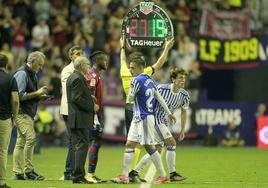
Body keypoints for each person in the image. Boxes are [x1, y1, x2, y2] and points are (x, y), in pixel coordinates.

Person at [113, 57, 176, 184]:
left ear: (140, 67)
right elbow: (159, 97)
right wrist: (169, 113)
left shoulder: (135, 80)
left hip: (144, 117)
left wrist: (131, 92)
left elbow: (130, 98)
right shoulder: (150, 80)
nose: (130, 70)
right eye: (130, 67)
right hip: (139, 117)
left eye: (132, 67)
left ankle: (163, 175)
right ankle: (124, 175)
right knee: (129, 144)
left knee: (149, 146)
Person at [120, 34, 175, 174]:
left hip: (135, 109)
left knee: (146, 145)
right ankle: (127, 174)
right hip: (142, 112)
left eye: (133, 67)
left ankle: (160, 174)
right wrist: (167, 48)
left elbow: (122, 60)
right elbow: (160, 62)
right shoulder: (148, 76)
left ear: (136, 66)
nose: (131, 69)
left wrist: (122, 47)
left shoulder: (128, 74)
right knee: (133, 143)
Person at [129, 68, 190, 182]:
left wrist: (182, 130)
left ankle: (133, 173)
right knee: (171, 143)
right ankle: (172, 174)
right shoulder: (161, 88)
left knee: (156, 150)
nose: (183, 80)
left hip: (163, 122)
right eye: (180, 78)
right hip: (154, 119)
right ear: (173, 79)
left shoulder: (184, 95)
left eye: (184, 78)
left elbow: (184, 112)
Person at [13, 51, 47, 180]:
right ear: (31, 62)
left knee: (20, 143)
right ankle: (29, 170)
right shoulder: (22, 74)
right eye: (39, 65)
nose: (41, 68)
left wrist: (40, 97)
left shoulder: (32, 74)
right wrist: (37, 93)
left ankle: (17, 172)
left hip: (27, 112)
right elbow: (19, 96)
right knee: (31, 138)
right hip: (21, 112)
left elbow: (29, 94)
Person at [66, 56, 95, 184]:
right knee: (82, 146)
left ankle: (77, 174)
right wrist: (91, 106)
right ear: (82, 65)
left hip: (76, 117)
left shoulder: (73, 77)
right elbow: (76, 98)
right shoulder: (78, 78)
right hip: (80, 117)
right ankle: (78, 176)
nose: (89, 67)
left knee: (80, 146)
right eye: (87, 64)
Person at [84, 51, 109, 183]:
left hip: (97, 114)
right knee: (95, 141)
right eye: (104, 60)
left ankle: (91, 174)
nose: (106, 62)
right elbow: (89, 93)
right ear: (97, 60)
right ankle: (89, 174)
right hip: (94, 115)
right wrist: (93, 109)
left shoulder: (96, 75)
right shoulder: (92, 75)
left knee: (96, 142)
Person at [60, 45, 83, 180]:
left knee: (77, 141)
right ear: (71, 56)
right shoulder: (67, 71)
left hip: (77, 109)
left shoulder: (82, 69)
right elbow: (68, 90)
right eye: (77, 54)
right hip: (69, 109)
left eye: (81, 53)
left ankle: (73, 170)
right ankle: (69, 171)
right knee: (73, 141)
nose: (79, 56)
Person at [0, 54, 19, 188]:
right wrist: (15, 117)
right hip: (4, 118)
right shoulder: (10, 78)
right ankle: (1, 182)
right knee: (2, 151)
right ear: (6, 65)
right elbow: (16, 100)